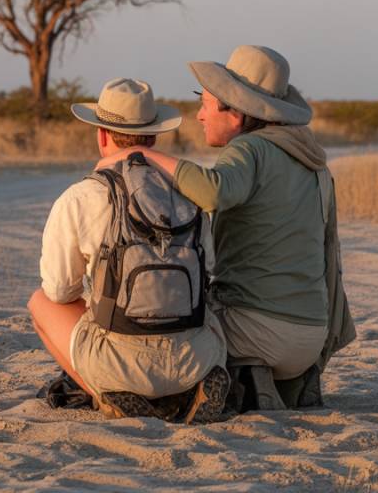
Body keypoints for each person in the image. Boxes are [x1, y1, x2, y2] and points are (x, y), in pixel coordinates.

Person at [142, 46, 355, 396]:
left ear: (237, 114)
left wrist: (143, 154)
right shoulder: (310, 158)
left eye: (205, 104)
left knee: (160, 329)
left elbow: (214, 191)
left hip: (258, 332)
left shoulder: (250, 149)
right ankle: (285, 381)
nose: (199, 116)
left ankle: (245, 378)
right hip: (312, 336)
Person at [27, 77, 230, 423]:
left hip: (120, 360)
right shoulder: (189, 192)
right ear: (153, 137)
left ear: (102, 135)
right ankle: (184, 392)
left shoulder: (81, 196)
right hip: (196, 357)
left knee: (41, 302)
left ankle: (104, 393)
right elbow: (210, 267)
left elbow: (59, 290)